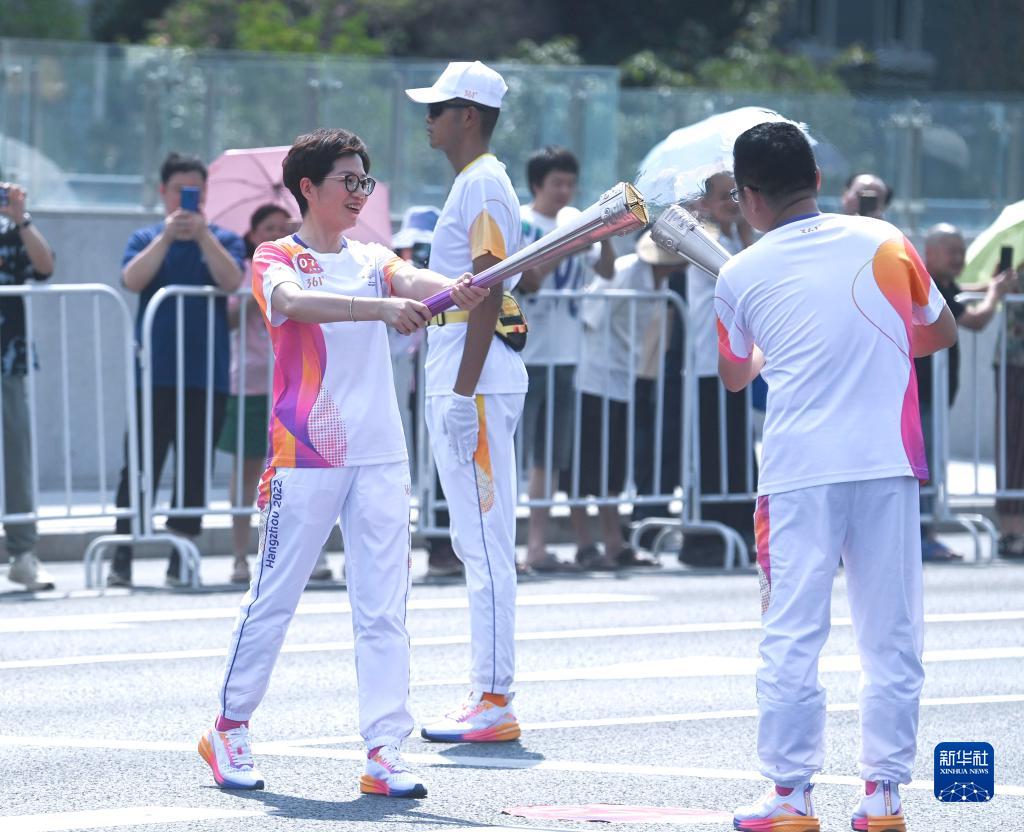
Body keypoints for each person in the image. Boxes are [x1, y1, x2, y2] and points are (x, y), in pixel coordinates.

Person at [198, 127, 486, 797]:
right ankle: (228, 728)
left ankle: (385, 749)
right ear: (308, 187)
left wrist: (455, 288)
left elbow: (412, 280)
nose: (359, 192)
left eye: (365, 181)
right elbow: (292, 305)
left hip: (380, 452)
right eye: (347, 181)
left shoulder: (373, 257)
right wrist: (379, 310)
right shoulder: (276, 255)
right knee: (275, 596)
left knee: (383, 606)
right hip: (307, 451)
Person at [717, 122, 956, 832]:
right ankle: (884, 795)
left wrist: (781, 346)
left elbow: (736, 375)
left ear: (748, 197)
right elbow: (939, 332)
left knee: (792, 632)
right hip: (887, 462)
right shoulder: (886, 240)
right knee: (892, 632)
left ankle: (791, 796)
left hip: (798, 475)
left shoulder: (738, 273)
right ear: (818, 180)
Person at [405, 61, 529, 742]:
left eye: (439, 108)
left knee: (483, 542)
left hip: (471, 377)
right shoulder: (474, 182)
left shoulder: (482, 182)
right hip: (462, 367)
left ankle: (494, 697)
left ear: (469, 116)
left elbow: (488, 290)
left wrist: (461, 391)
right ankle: (488, 691)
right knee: (475, 539)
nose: (428, 119)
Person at [109, 153, 245, 588]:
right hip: (154, 374)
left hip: (207, 375)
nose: (187, 200)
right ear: (163, 192)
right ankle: (122, 554)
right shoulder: (146, 237)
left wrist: (203, 236)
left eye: (195, 192)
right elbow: (131, 279)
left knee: (194, 465)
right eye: (178, 191)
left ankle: (180, 556)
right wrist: (168, 238)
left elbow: (231, 281)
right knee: (140, 464)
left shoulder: (224, 239)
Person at [217, 203, 340, 585]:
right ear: (252, 234)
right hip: (252, 385)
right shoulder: (248, 269)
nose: (274, 234)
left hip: (300, 385)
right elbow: (228, 317)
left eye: (281, 227)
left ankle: (310, 554)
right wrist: (262, 293)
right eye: (267, 228)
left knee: (305, 470)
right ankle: (241, 554)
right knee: (248, 470)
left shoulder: (305, 263)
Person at [517, 145, 614, 572]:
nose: (565, 191)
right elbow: (529, 281)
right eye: (557, 182)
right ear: (537, 184)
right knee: (514, 454)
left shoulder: (572, 222)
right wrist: (569, 246)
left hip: (566, 355)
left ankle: (537, 546)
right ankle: (512, 546)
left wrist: (603, 233)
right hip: (526, 354)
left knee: (549, 457)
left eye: (570, 183)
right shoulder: (522, 223)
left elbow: (606, 271)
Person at [575, 232, 682, 569]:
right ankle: (585, 543)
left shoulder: (659, 281)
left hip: (622, 376)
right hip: (594, 374)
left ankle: (613, 542)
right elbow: (591, 314)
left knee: (613, 467)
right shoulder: (627, 270)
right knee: (586, 466)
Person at [913, 223, 1016, 560]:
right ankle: (921, 534)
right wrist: (994, 296)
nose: (959, 257)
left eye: (962, 250)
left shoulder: (942, 284)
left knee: (929, 464)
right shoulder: (930, 287)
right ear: (929, 253)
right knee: (924, 466)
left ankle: (924, 531)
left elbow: (962, 292)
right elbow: (975, 319)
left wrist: (990, 285)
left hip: (934, 395)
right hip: (923, 396)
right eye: (951, 251)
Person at [681, 172, 757, 565]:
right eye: (723, 195)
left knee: (737, 449)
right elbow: (742, 276)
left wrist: (745, 230)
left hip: (735, 360)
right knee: (711, 452)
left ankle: (740, 528)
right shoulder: (701, 238)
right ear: (704, 202)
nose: (732, 202)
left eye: (736, 194)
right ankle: (703, 538)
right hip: (707, 363)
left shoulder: (735, 238)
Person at [391, 206, 465, 580]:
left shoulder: (445, 281)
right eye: (411, 248)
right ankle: (434, 546)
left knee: (446, 463)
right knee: (421, 464)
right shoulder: (391, 279)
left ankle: (449, 545)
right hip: (410, 387)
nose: (416, 256)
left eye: (424, 249)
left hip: (442, 382)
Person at [0, 175, 56, 591]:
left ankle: (23, 553)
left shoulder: (11, 229)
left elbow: (45, 267)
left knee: (17, 452)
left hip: (8, 356)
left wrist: (21, 218)